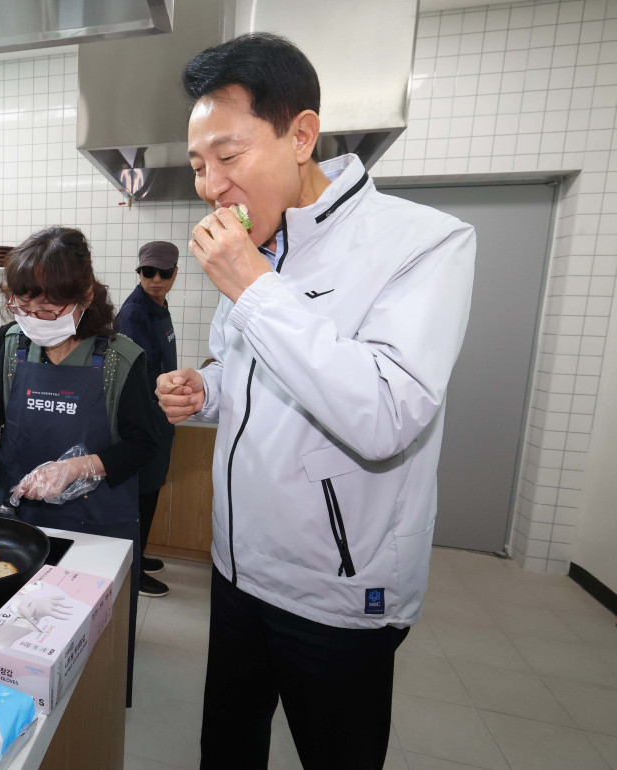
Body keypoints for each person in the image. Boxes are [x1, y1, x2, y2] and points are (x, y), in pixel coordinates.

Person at [155, 34, 476, 769]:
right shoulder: (261, 251)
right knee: (227, 753)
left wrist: (254, 289)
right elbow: (256, 378)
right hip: (236, 572)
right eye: (200, 165)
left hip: (336, 593)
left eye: (228, 158)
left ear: (301, 135)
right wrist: (207, 390)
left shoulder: (423, 243)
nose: (210, 185)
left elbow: (388, 414)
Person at [0, 226, 159, 704]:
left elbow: (146, 443)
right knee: (19, 640)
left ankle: (94, 718)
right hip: (21, 521)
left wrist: (78, 468)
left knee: (88, 652)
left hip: (97, 528)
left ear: (84, 295)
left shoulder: (121, 359)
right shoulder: (13, 344)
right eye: (21, 305)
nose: (32, 318)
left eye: (47, 308)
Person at [115, 241, 180, 599]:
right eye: (148, 272)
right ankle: (133, 569)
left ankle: (138, 555)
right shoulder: (134, 314)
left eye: (164, 273)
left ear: (175, 274)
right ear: (139, 272)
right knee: (140, 495)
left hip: (161, 415)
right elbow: (134, 378)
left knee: (151, 490)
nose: (156, 280)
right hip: (145, 420)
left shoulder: (159, 307)